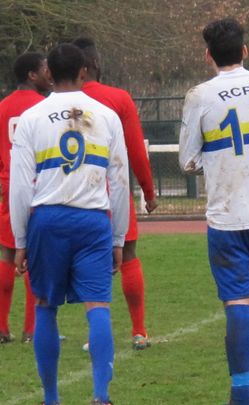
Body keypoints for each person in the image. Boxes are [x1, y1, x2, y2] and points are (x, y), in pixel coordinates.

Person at [9, 43, 129, 405]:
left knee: (45, 305)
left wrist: (19, 239)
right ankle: (101, 396)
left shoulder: (31, 117)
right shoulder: (106, 115)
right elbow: (120, 179)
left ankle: (51, 398)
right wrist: (119, 235)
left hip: (48, 219)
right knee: (98, 306)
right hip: (93, 220)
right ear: (83, 72)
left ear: (49, 74)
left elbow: (19, 183)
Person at [179, 18, 249, 405]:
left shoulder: (200, 96)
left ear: (208, 55)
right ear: (245, 50)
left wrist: (217, 156)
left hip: (227, 216)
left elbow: (188, 161)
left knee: (237, 304)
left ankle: (240, 395)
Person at [71, 37, 157, 351]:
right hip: (113, 188)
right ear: (93, 65)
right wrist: (148, 190)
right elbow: (134, 151)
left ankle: (96, 334)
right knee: (129, 256)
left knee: (89, 261)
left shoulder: (57, 104)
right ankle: (139, 331)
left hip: (77, 193)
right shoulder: (118, 98)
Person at [0, 52, 53, 344]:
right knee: (36, 258)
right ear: (32, 75)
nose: (49, 73)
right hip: (39, 186)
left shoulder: (3, 107)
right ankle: (32, 330)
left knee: (8, 254)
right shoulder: (45, 108)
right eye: (45, 69)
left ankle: (1, 326)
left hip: (9, 187)